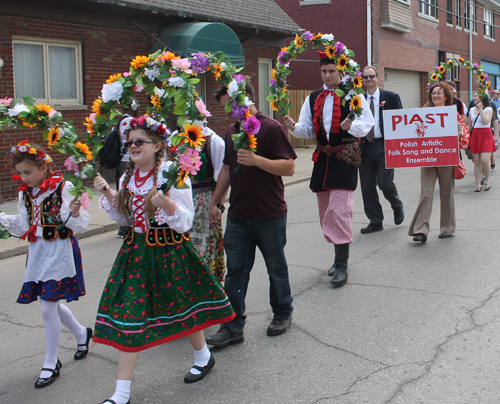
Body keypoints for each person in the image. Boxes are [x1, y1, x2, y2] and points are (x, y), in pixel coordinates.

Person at [93, 116, 235, 404]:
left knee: (184, 308)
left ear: (157, 145)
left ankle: (203, 356)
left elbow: (185, 222)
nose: (132, 146)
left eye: (139, 142)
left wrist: (168, 204)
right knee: (129, 316)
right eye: (129, 142)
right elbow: (124, 219)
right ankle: (121, 393)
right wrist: (109, 194)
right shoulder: (127, 177)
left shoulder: (172, 174)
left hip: (169, 251)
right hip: (135, 255)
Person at [205, 81, 296, 348]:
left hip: (269, 214)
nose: (229, 113)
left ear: (245, 100)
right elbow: (225, 169)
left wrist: (257, 160)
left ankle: (282, 312)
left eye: (231, 106)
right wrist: (216, 201)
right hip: (239, 215)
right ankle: (232, 326)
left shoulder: (271, 128)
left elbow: (289, 167)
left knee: (275, 267)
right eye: (225, 109)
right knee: (236, 272)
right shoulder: (232, 131)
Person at [0, 141, 91, 388]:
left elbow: (79, 225)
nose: (23, 177)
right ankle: (82, 333)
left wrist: (74, 212)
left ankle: (51, 361)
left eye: (27, 172)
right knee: (49, 302)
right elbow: (23, 226)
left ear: (44, 167)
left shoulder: (63, 187)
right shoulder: (25, 194)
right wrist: (4, 219)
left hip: (60, 251)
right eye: (20, 172)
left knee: (47, 307)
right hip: (38, 252)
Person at [284, 51, 373, 287]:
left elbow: (367, 123)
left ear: (340, 72)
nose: (328, 75)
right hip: (323, 160)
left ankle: (342, 265)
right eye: (324, 71)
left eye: (332, 71)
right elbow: (307, 129)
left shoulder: (353, 94)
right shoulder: (314, 97)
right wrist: (294, 127)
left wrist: (350, 125)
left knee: (339, 211)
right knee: (325, 212)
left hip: (344, 157)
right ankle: (337, 258)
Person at [408, 83, 469, 242]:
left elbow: (465, 140)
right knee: (426, 192)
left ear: (446, 97)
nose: (435, 95)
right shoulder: (422, 113)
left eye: (439, 93)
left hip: (447, 159)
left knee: (446, 192)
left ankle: (447, 228)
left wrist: (459, 133)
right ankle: (420, 230)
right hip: (427, 158)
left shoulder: (453, 115)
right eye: (433, 93)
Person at [358, 65, 404, 234]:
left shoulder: (391, 97)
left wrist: (399, 146)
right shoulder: (357, 100)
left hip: (385, 145)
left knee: (385, 183)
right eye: (365, 77)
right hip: (365, 148)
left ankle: (397, 205)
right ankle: (375, 220)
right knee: (367, 187)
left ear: (378, 78)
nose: (369, 79)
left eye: (372, 76)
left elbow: (400, 121)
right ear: (362, 80)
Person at [190, 120, 226, 283]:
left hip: (205, 200)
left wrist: (217, 204)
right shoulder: (177, 139)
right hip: (183, 200)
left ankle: (208, 287)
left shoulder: (213, 141)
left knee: (205, 243)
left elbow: (222, 176)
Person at [116, 101, 139, 238]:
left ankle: (125, 227)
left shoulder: (122, 121)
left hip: (124, 160)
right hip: (126, 160)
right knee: (126, 193)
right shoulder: (129, 121)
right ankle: (125, 227)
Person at [467, 92, 496, 191]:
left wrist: (480, 109)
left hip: (486, 136)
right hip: (475, 136)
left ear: (481, 97)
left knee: (484, 160)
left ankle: (487, 180)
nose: (473, 98)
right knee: (477, 161)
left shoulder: (489, 109)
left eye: (475, 96)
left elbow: (485, 121)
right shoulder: (471, 110)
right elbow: (469, 126)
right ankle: (478, 183)